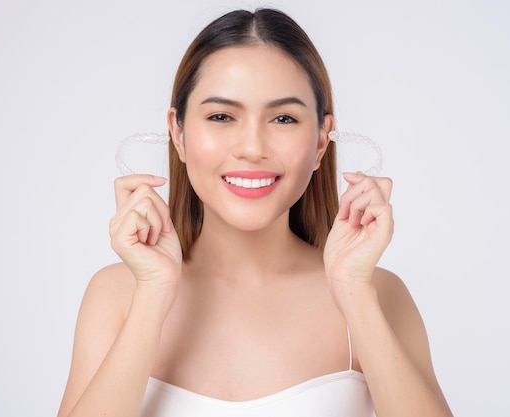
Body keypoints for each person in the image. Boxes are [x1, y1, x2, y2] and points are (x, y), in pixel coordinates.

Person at [57, 8, 453, 417]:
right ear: (178, 133)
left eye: (283, 118)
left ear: (320, 142)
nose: (252, 147)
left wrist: (353, 290)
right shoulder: (117, 295)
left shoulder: (378, 293)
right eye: (221, 116)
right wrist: (153, 294)